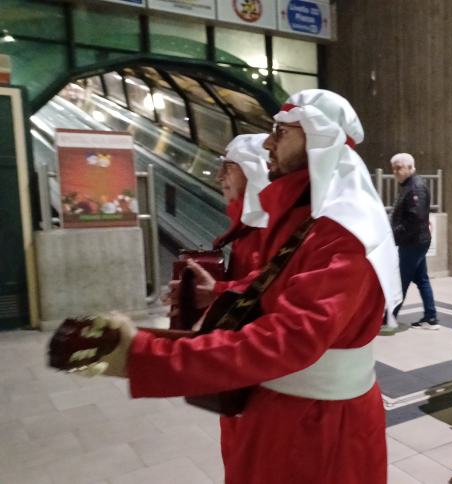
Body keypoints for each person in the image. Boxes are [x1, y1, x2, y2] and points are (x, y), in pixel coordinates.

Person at [74, 89, 403, 484]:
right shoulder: (311, 218)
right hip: (285, 411)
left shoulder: (345, 230)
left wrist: (140, 355)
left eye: (280, 132)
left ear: (319, 139)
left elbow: (290, 337)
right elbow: (282, 283)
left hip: (317, 428)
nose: (267, 142)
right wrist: (222, 292)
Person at [389, 152, 438, 329]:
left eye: (399, 167)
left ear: (410, 168)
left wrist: (394, 234)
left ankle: (390, 318)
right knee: (421, 278)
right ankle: (431, 318)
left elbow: (415, 220)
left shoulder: (415, 188)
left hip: (413, 243)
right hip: (415, 241)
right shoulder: (409, 185)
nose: (395, 171)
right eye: (393, 168)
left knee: (401, 280)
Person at [212, 133, 270, 279]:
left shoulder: (267, 228)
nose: (219, 177)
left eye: (228, 167)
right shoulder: (243, 220)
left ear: (254, 171)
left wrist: (216, 291)